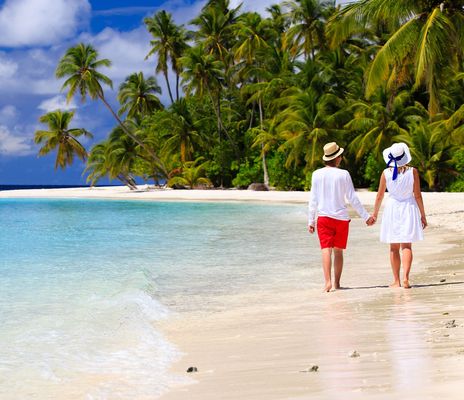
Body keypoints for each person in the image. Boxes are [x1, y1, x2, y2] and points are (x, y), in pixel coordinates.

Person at [308, 142, 374, 292]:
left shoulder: (316, 174)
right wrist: (366, 216)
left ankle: (327, 282)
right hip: (341, 219)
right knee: (338, 251)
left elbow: (313, 199)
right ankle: (337, 283)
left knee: (326, 250)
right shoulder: (344, 174)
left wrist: (310, 220)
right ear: (337, 158)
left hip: (324, 218)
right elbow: (352, 198)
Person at [371, 142, 427, 289]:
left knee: (393, 247)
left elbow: (379, 195)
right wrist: (423, 215)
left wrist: (375, 214)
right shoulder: (413, 171)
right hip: (409, 207)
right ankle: (406, 278)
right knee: (406, 246)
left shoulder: (386, 173)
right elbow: (418, 195)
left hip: (393, 208)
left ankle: (396, 281)